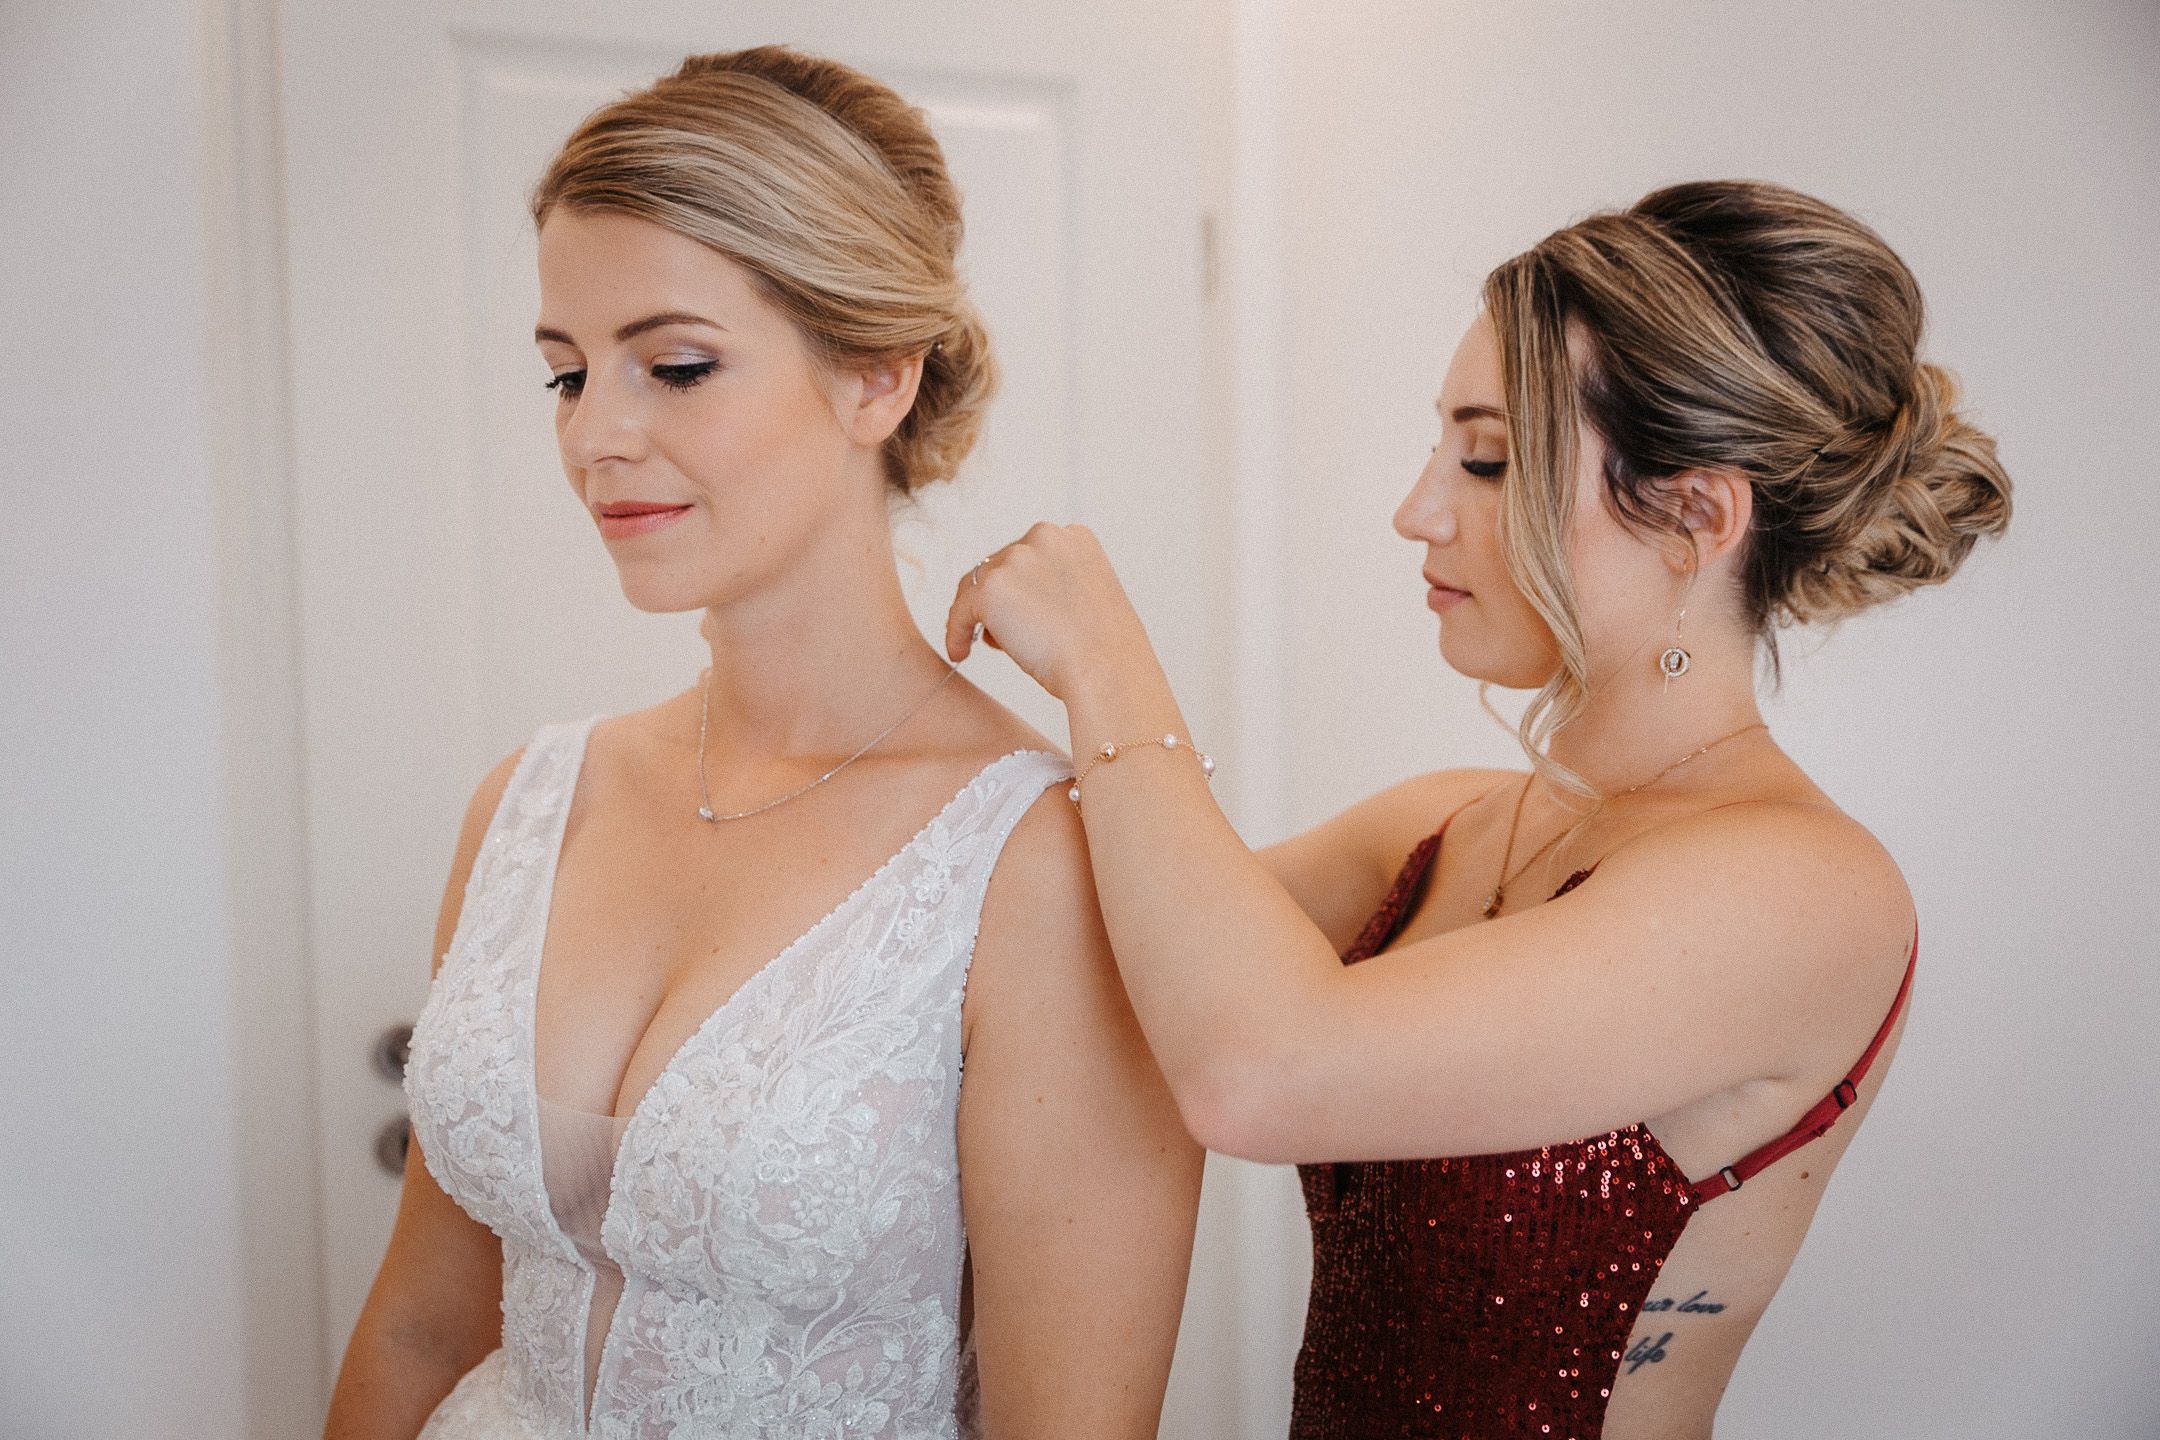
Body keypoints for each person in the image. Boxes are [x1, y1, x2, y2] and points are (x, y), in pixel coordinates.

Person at [948, 180, 2011, 1438]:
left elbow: (1258, 1070)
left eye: (1488, 459)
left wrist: (1107, 666)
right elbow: (1076, 946)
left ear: (1693, 517)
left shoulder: (1804, 889)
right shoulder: (1440, 830)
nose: (1418, 511)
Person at [324, 47, 1200, 1440]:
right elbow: (423, 1324)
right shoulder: (532, 804)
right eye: (566, 377)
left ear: (877, 379)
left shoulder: (1032, 868)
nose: (597, 437)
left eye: (675, 367)